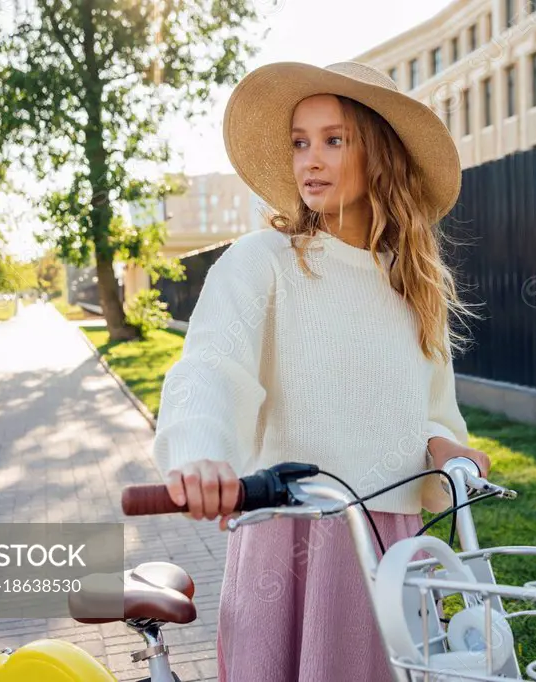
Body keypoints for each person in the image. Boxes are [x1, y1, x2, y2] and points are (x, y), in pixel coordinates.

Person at [151, 61, 492, 682]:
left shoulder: (414, 287)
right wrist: (200, 455)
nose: (310, 159)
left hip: (394, 550)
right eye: (300, 142)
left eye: (334, 140)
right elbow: (211, 365)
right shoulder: (265, 261)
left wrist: (451, 454)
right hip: (292, 537)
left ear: (380, 154)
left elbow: (430, 419)